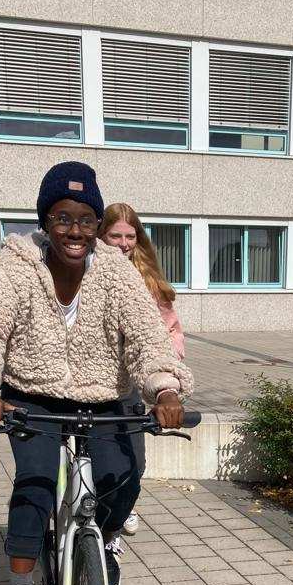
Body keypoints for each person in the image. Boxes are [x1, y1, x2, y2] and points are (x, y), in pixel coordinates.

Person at [0, 161, 193, 585]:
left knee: (123, 476)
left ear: (98, 225)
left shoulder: (118, 273)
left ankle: (98, 547)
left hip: (104, 397)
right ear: (45, 221)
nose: (74, 230)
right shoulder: (15, 266)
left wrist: (164, 388)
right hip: (33, 397)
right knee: (35, 482)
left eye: (85, 219)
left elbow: (149, 339)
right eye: (62, 217)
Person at [101, 203, 186, 535]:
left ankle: (119, 511)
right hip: (92, 380)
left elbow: (171, 330)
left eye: (130, 236)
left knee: (134, 461)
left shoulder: (148, 279)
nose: (123, 243)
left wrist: (167, 367)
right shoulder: (86, 271)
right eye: (115, 236)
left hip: (135, 380)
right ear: (100, 236)